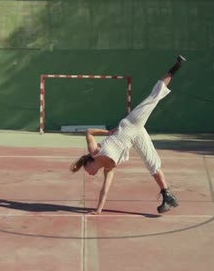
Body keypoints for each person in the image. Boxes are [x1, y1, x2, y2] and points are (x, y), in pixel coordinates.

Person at [70, 55, 186, 215]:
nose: (89, 174)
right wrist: (98, 210)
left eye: (87, 170)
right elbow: (105, 190)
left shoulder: (94, 151)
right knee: (152, 164)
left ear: (89, 163)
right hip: (136, 137)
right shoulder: (109, 169)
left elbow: (88, 131)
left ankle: (174, 68)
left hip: (131, 123)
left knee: (154, 97)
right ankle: (167, 194)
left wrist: (108, 132)